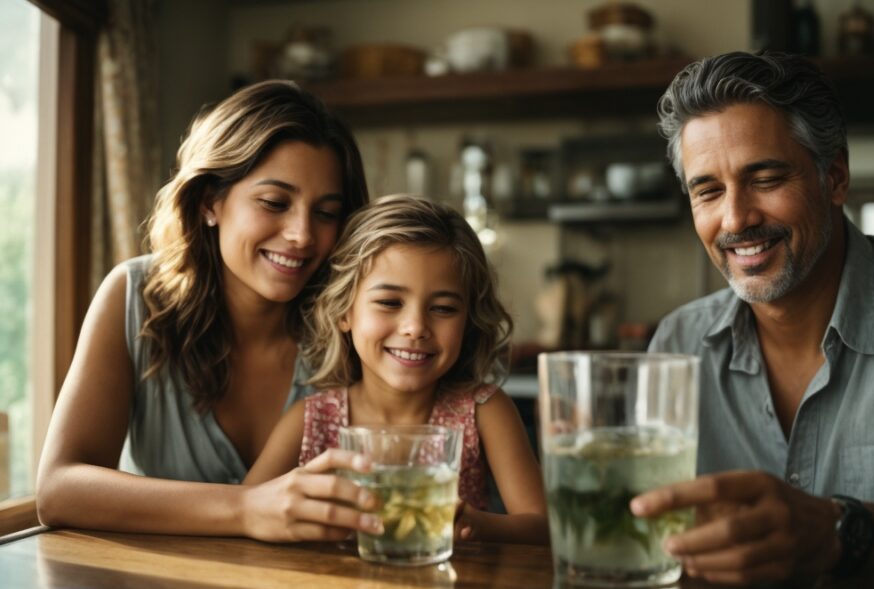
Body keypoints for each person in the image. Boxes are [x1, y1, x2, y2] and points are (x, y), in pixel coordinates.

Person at [630, 51, 874, 584]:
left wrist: (842, 532)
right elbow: (644, 531)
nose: (736, 218)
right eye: (708, 191)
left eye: (765, 178)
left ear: (834, 177)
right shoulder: (679, 341)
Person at [36, 80, 382, 542]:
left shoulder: (362, 322)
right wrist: (245, 510)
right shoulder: (134, 296)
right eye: (275, 203)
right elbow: (58, 491)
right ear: (209, 203)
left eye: (326, 213)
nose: (302, 234)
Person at [244, 194, 548, 544]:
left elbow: (541, 527)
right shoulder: (310, 419)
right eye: (389, 303)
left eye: (444, 308)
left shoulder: (484, 411)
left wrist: (478, 525)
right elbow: (249, 508)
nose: (415, 326)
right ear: (344, 311)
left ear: (468, 320)